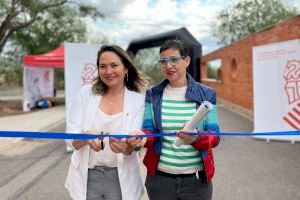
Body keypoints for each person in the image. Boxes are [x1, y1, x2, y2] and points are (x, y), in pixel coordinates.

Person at [130, 39, 220, 200]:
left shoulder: (207, 94)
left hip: (196, 183)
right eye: (163, 61)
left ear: (186, 61)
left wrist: (197, 138)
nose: (168, 65)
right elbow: (149, 131)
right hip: (160, 182)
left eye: (173, 59)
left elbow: (215, 136)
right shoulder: (153, 94)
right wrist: (141, 138)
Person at [65, 45, 149, 200]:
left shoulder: (138, 101)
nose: (108, 71)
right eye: (103, 66)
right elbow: (71, 139)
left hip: (121, 179)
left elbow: (134, 143)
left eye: (114, 65)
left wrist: (129, 147)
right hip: (87, 177)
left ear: (126, 69)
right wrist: (85, 137)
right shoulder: (85, 93)